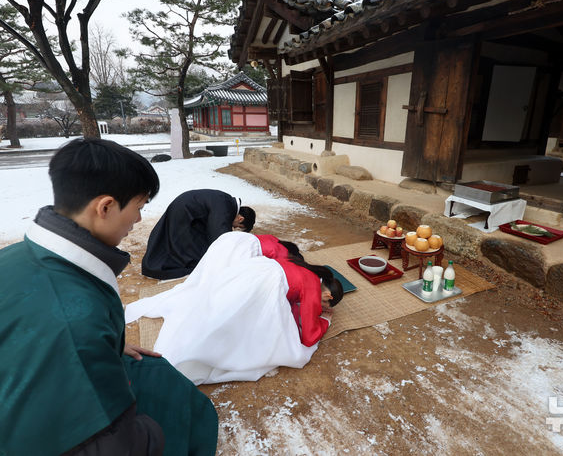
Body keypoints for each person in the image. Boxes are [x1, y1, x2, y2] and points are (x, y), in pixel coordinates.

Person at [0, 138, 218, 456]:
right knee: (175, 406)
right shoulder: (76, 320)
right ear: (105, 207)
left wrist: (109, 345)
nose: (139, 220)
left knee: (151, 371)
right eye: (139, 208)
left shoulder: (15, 257)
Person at [125, 232, 344, 384]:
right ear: (328, 295)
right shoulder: (314, 286)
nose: (322, 306)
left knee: (217, 310)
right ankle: (183, 358)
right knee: (230, 323)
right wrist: (324, 320)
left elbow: (295, 304)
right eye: (325, 304)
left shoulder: (301, 267)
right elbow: (308, 336)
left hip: (252, 269)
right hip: (263, 283)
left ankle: (183, 350)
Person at [141, 189, 256, 280]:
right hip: (184, 212)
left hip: (185, 209)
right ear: (240, 219)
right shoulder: (226, 207)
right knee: (192, 255)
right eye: (238, 226)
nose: (234, 227)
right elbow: (220, 237)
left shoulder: (226, 203)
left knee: (190, 245)